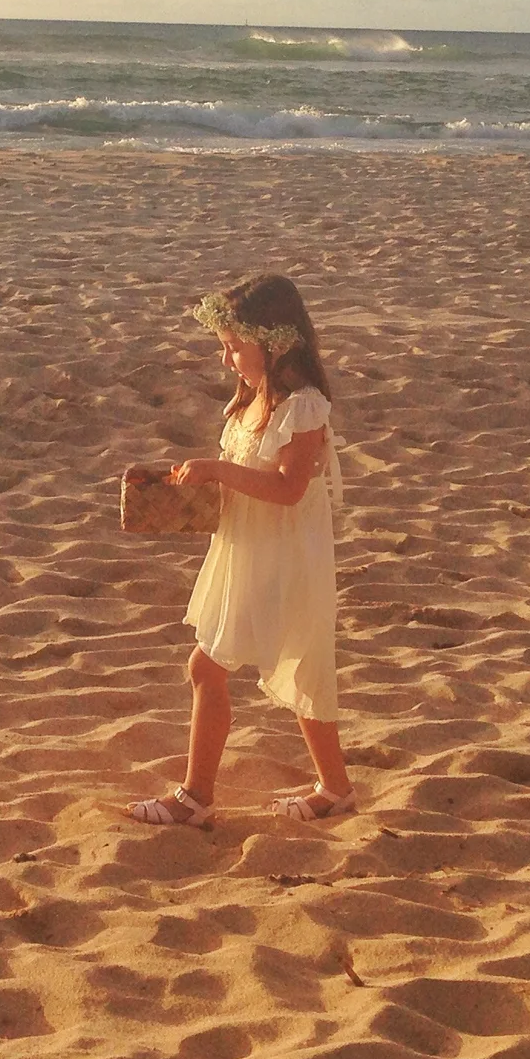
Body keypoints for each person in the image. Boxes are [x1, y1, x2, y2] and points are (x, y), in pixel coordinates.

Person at [129, 273, 353, 827]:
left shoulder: (303, 407)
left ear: (274, 343)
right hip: (246, 546)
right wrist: (172, 483)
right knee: (276, 664)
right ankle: (335, 787)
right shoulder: (254, 398)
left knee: (216, 666)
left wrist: (218, 470)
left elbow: (288, 488)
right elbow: (245, 479)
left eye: (234, 347)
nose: (227, 360)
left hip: (283, 552)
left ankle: (196, 798)